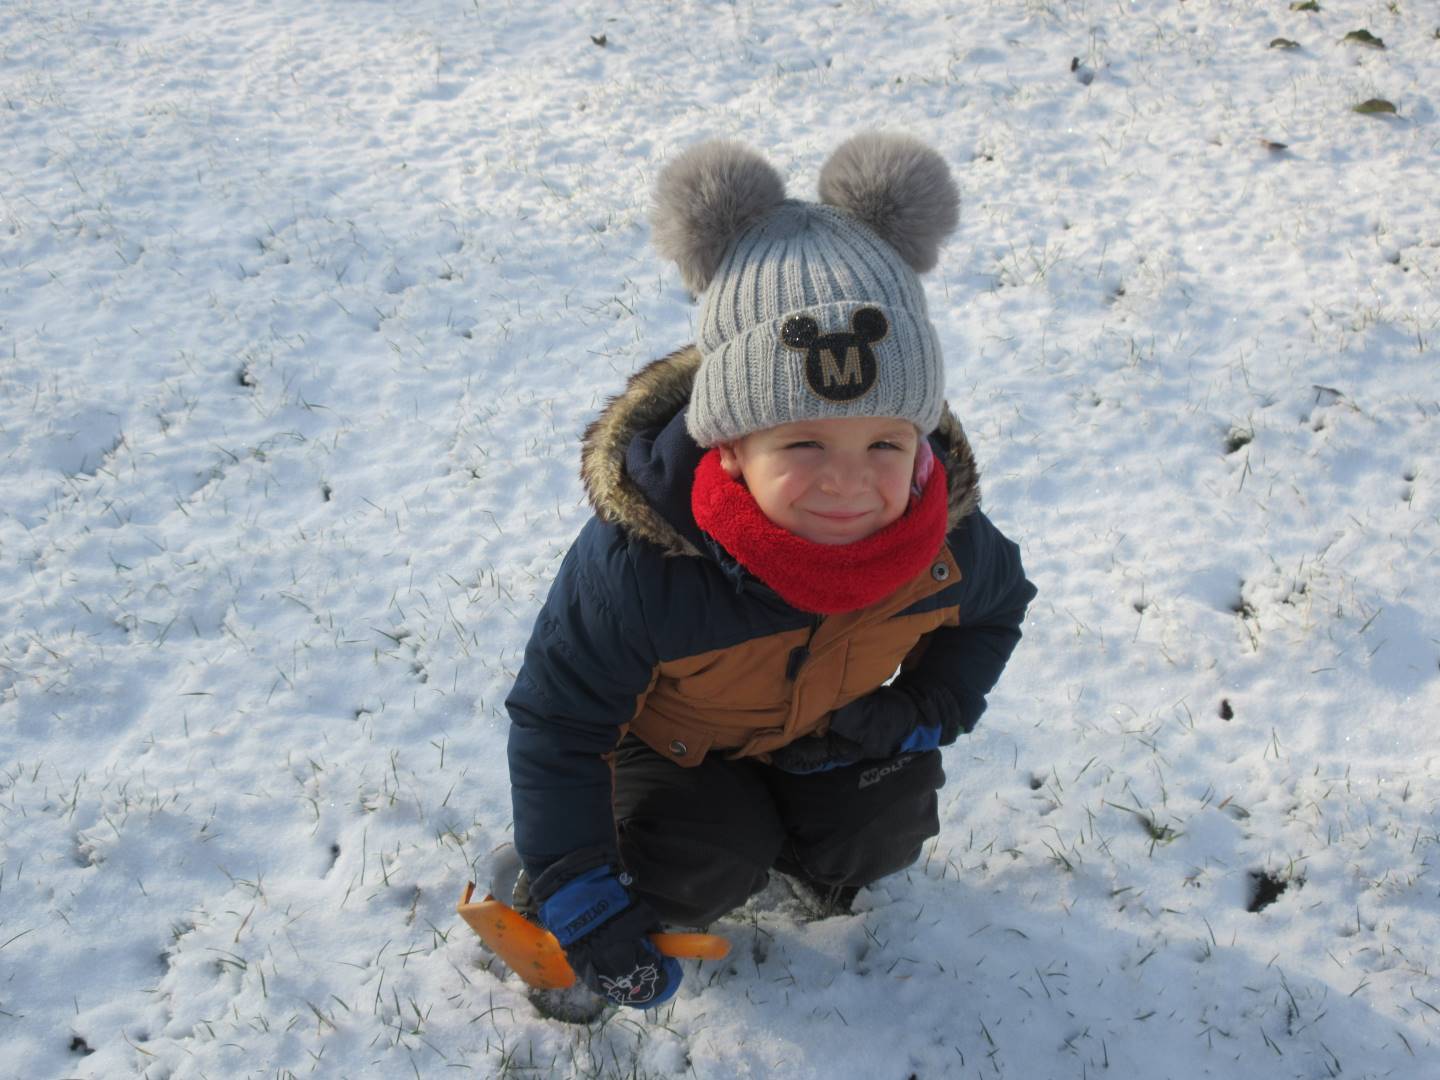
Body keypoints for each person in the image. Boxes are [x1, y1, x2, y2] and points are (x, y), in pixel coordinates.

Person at [504, 133, 1036, 1010]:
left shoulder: (942, 544)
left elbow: (997, 611)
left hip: (818, 732)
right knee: (702, 858)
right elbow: (560, 720)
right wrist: (576, 881)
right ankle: (568, 887)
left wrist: (918, 711)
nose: (849, 482)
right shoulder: (649, 562)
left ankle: (801, 843)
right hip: (671, 750)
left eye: (885, 443)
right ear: (730, 447)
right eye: (803, 443)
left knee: (885, 822)